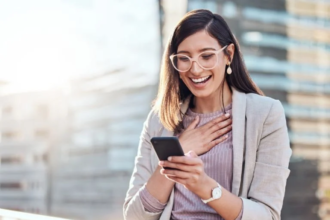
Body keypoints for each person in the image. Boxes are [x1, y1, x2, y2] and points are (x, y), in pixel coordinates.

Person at [123, 9, 291, 220]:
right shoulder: (159, 121)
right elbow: (134, 216)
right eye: (184, 58)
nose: (195, 69)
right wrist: (179, 151)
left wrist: (202, 184)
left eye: (207, 56)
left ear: (228, 54)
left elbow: (266, 215)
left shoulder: (265, 115)